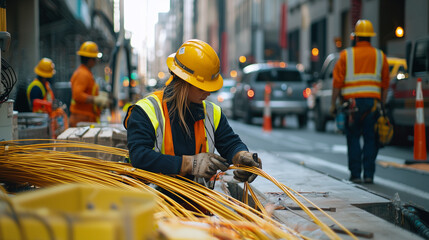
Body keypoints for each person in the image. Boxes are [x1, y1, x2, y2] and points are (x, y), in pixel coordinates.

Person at [124, 39, 261, 193]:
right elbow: (140, 156)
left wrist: (241, 156)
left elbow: (230, 143)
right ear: (184, 82)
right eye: (203, 87)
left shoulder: (211, 112)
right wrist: (189, 164)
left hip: (197, 206)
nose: (208, 93)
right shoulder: (146, 110)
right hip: (155, 204)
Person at [330, 19, 390, 184]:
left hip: (352, 106)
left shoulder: (346, 55)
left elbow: (337, 83)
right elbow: (385, 84)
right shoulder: (380, 56)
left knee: (354, 137)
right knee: (371, 138)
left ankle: (355, 174)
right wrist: (382, 105)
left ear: (356, 37)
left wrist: (333, 104)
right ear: (371, 37)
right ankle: (369, 174)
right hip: (373, 105)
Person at [69, 41, 109, 127]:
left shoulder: (86, 73)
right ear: (90, 60)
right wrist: (95, 99)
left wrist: (100, 95)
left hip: (85, 117)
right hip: (81, 118)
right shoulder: (82, 74)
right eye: (95, 58)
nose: (96, 61)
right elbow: (77, 95)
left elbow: (88, 91)